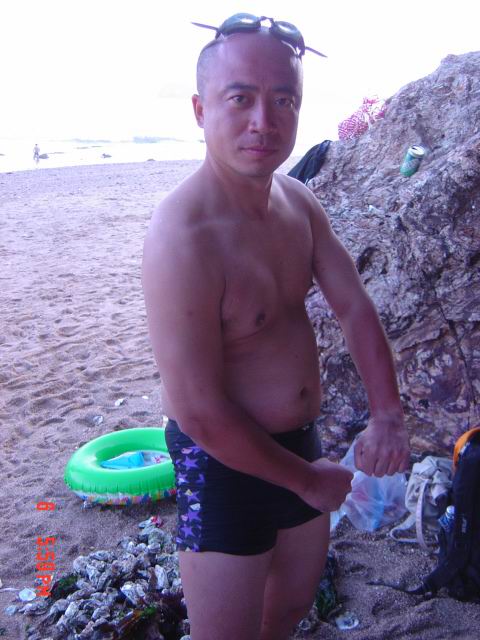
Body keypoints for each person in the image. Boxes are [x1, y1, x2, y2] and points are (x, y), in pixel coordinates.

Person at [142, 14, 410, 640]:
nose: (264, 120)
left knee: (287, 610)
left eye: (283, 100)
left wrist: (388, 413)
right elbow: (198, 409)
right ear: (200, 110)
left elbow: (354, 308)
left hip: (300, 441)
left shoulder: (298, 201)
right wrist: (306, 481)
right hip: (220, 463)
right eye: (240, 98)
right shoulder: (182, 236)